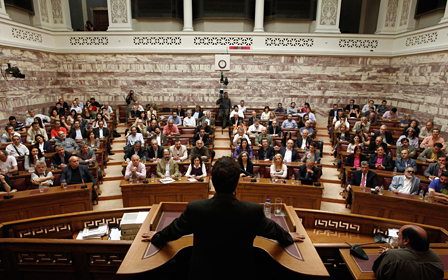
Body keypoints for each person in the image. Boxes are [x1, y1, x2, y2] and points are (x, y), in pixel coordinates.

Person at [142, 156, 305, 278]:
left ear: (211, 180)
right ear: (238, 183)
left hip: (202, 274)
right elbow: (274, 231)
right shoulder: (252, 211)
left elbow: (173, 231)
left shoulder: (196, 208)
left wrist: (156, 237)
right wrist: (288, 236)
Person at [372, 225, 443, 280]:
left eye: (399, 234)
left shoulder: (392, 256)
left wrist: (387, 255)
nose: (397, 236)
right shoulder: (434, 256)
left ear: (406, 241)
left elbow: (379, 273)